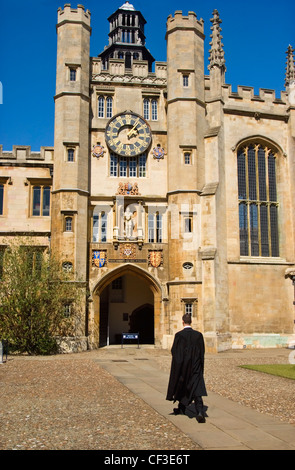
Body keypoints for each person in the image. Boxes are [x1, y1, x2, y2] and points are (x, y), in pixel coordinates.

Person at [166, 314, 207, 423]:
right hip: (195, 367)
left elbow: (174, 352)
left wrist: (178, 366)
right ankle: (199, 411)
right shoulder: (198, 335)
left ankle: (182, 408)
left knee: (182, 386)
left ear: (183, 322)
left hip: (183, 367)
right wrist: (200, 366)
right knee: (196, 389)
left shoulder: (179, 335)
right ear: (191, 322)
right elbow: (202, 352)